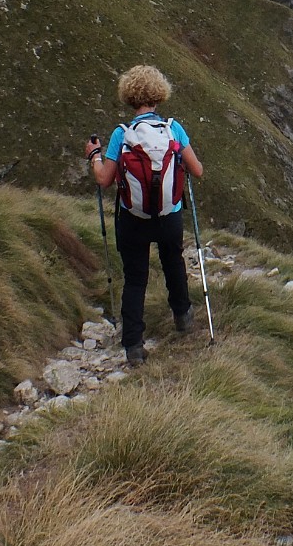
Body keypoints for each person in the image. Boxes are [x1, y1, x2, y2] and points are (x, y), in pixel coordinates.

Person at [85, 65, 204, 365]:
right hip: (169, 215)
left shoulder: (120, 135)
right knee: (173, 262)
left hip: (133, 219)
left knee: (135, 278)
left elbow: (104, 179)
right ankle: (183, 317)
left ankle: (134, 346)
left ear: (129, 96)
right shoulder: (173, 129)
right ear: (159, 96)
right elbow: (198, 171)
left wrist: (93, 156)